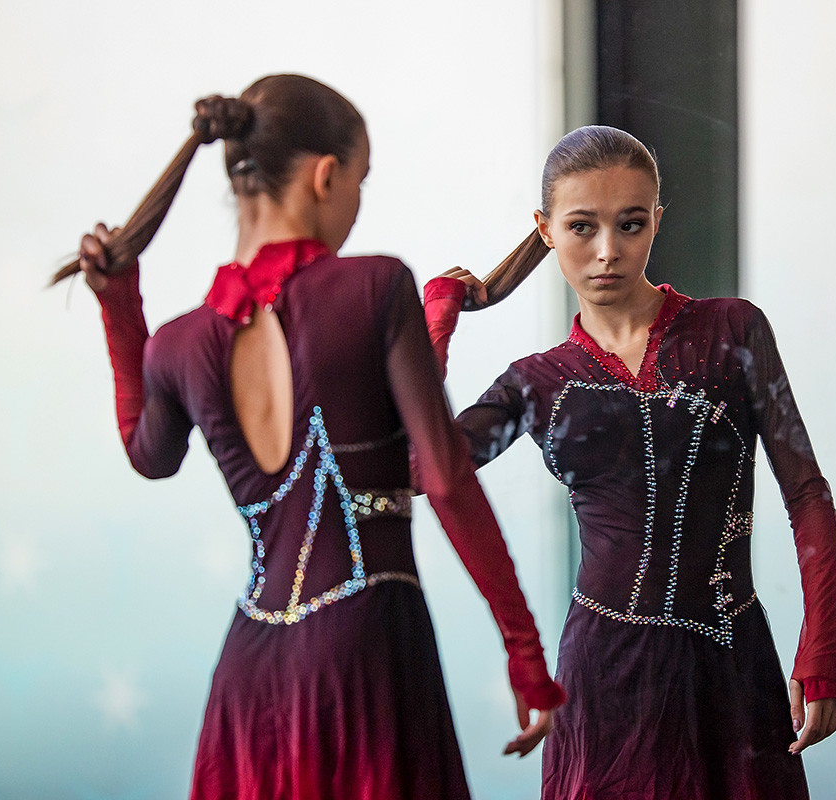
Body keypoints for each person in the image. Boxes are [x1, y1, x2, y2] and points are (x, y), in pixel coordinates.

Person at [58, 74, 565, 800]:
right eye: (361, 181)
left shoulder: (178, 342)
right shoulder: (375, 286)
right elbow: (443, 473)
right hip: (364, 650)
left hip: (249, 674)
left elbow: (148, 454)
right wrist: (524, 652)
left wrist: (118, 304)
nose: (358, 202)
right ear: (327, 176)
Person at [422, 125, 836, 799]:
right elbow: (426, 470)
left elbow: (806, 492)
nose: (607, 251)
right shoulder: (535, 382)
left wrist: (821, 650)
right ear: (545, 229)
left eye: (630, 223)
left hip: (731, 668)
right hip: (600, 683)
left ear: (657, 220)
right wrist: (439, 319)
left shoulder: (734, 330)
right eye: (582, 227)